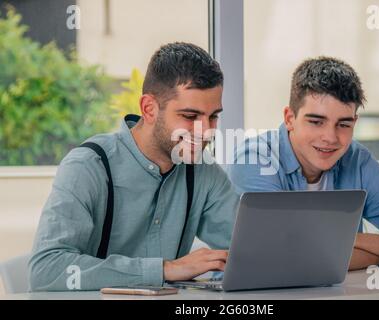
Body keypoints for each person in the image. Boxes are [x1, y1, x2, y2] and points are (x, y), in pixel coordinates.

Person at [29, 42, 239, 291]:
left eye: (213, 116)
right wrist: (165, 270)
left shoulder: (203, 171)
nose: (206, 132)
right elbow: (46, 270)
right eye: (190, 117)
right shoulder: (88, 167)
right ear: (149, 109)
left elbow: (250, 248)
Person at [228, 56, 379, 270]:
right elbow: (279, 257)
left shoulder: (356, 160)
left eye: (343, 124)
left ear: (355, 122)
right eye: (316, 121)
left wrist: (353, 240)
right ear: (289, 118)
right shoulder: (255, 159)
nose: (331, 138)